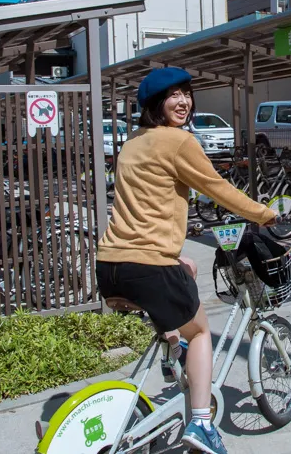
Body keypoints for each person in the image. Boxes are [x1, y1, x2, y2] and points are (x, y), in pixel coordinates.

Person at [96, 67, 276, 454]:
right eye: (172, 96)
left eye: (186, 94)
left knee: (187, 271)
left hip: (111, 264)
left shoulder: (131, 142)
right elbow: (217, 188)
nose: (183, 102)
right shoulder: (178, 141)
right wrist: (264, 214)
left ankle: (170, 353)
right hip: (147, 265)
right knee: (200, 332)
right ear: (154, 105)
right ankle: (202, 424)